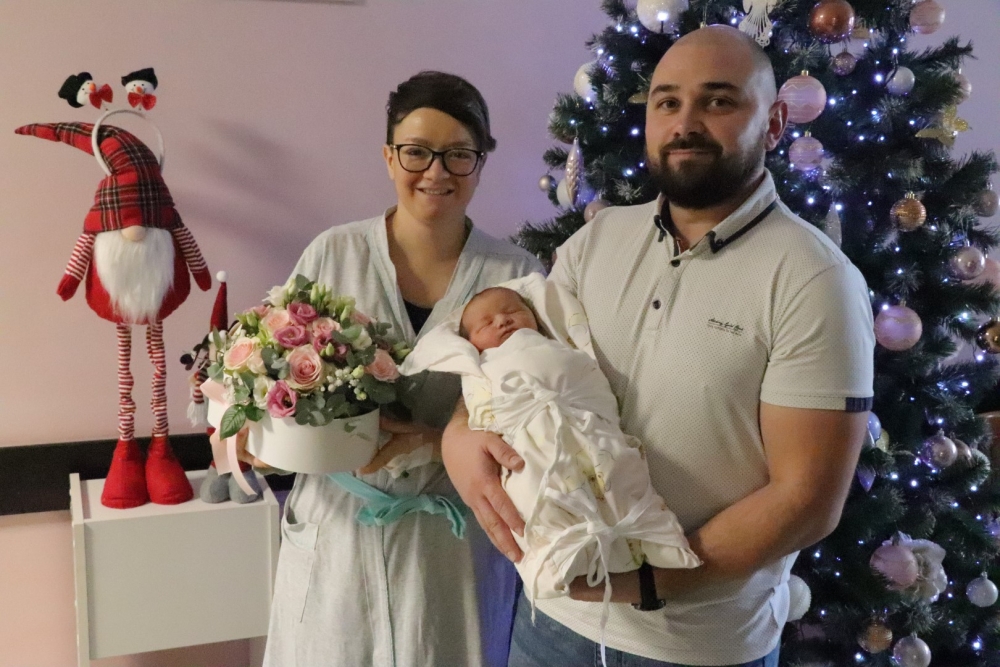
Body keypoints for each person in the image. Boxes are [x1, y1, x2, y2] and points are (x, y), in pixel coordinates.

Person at [442, 26, 875, 667]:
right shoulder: (594, 242)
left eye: (718, 101)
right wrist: (458, 435)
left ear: (775, 123)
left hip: (697, 645)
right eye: (667, 101)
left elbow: (806, 500)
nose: (686, 122)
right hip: (551, 622)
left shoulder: (815, 280)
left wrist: (648, 583)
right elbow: (509, 358)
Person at [250, 71, 543, 667]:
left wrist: (438, 443)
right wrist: (264, 439)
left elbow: (540, 416)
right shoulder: (334, 254)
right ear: (389, 157)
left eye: (458, 154)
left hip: (454, 545)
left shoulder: (515, 274)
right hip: (337, 534)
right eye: (417, 152)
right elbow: (270, 375)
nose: (436, 171)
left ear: (480, 164)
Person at [408, 280, 699, 609]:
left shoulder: (555, 345)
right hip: (528, 443)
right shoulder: (481, 368)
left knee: (620, 469)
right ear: (468, 343)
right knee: (534, 491)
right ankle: (557, 558)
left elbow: (587, 375)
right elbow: (482, 409)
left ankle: (651, 539)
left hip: (585, 422)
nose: (502, 321)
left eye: (512, 311)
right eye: (486, 323)